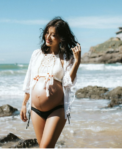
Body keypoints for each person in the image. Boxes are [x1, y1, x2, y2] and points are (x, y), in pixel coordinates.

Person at [20, 17, 81, 148]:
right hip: (35, 109)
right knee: (43, 146)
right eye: (47, 33)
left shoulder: (66, 57)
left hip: (57, 109)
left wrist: (77, 62)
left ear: (61, 38)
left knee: (45, 147)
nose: (48, 37)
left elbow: (68, 83)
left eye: (53, 35)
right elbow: (28, 80)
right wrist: (24, 104)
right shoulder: (36, 54)